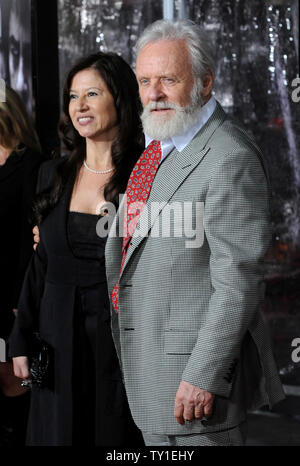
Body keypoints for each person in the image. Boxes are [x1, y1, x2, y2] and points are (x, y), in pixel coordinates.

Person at [105, 20, 285, 446]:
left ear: (205, 82)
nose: (153, 94)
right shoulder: (159, 148)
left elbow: (238, 283)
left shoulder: (229, 158)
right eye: (145, 81)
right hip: (152, 374)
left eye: (169, 79)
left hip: (193, 389)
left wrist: (204, 374)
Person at [9, 52, 144, 446]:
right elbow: (41, 263)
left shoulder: (146, 176)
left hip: (119, 347)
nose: (79, 106)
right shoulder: (52, 174)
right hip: (55, 339)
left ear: (119, 100)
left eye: (92, 94)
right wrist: (20, 337)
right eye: (72, 96)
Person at [0, 86, 43, 445]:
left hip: (14, 296)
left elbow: (30, 241)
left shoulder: (30, 164)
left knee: (15, 381)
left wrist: (21, 299)